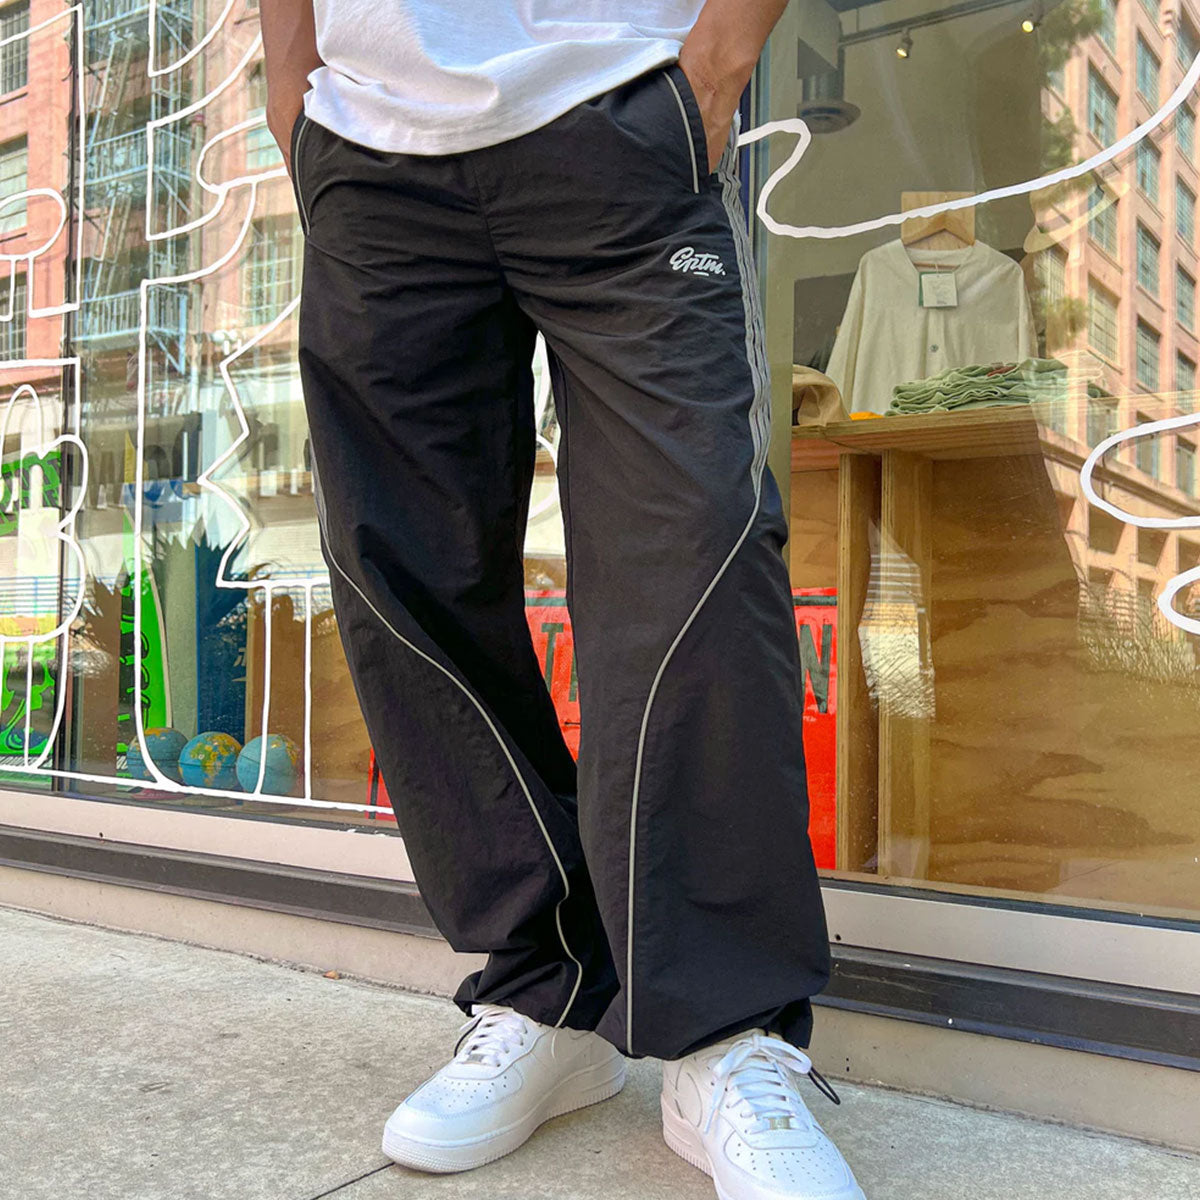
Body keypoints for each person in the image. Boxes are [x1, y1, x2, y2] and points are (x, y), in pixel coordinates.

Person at [258, 3, 866, 1197]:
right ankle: (548, 992)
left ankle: (725, 1030)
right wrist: (293, 80)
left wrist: (723, 51)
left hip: (625, 101)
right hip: (371, 144)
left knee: (697, 556)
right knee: (403, 577)